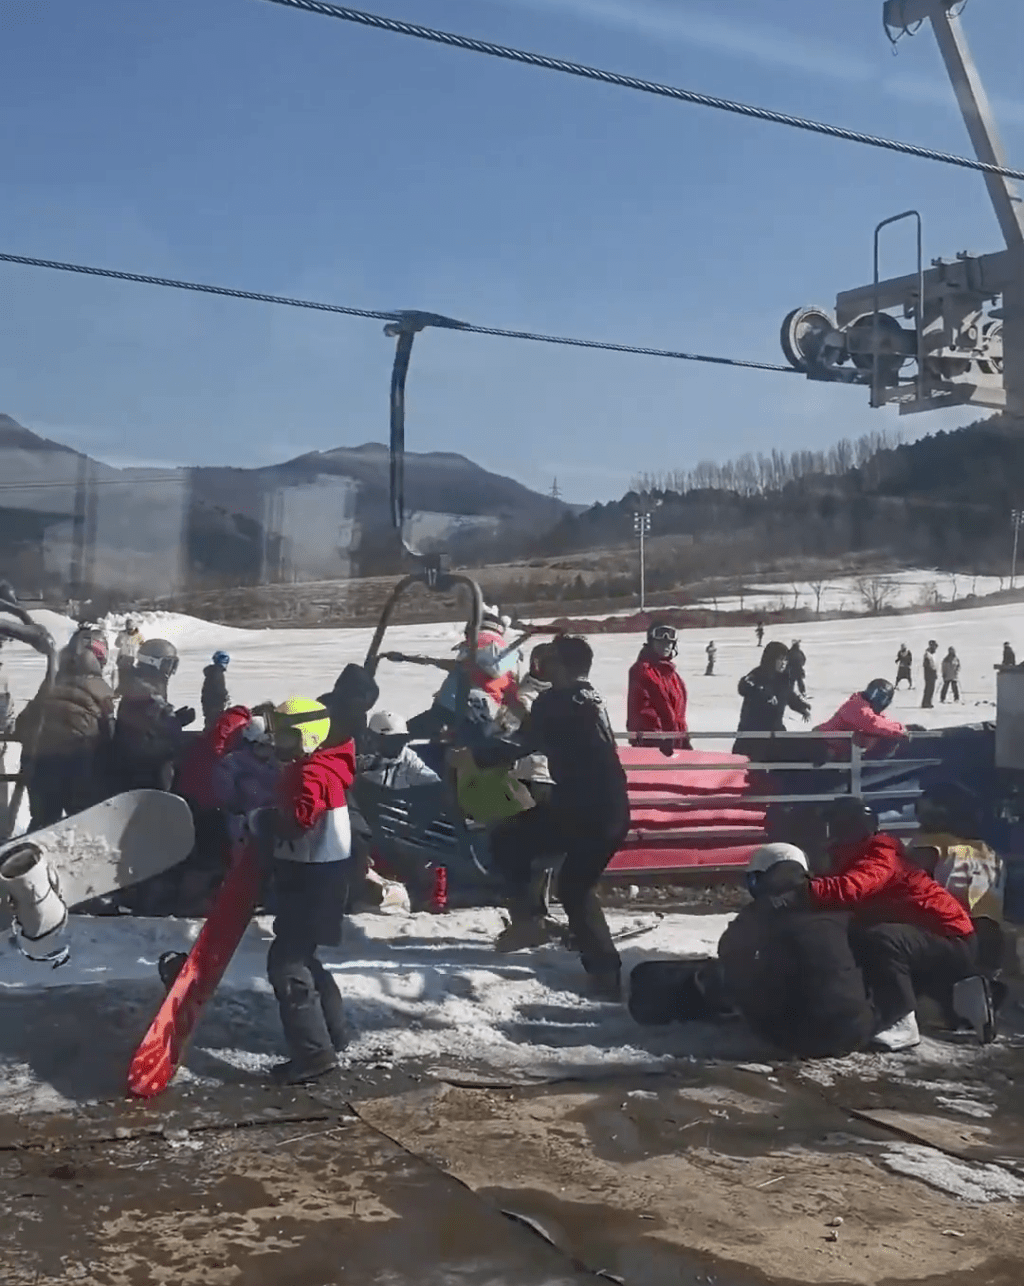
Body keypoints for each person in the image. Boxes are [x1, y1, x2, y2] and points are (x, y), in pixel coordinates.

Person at [466, 633, 630, 998]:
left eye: (552, 659)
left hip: (584, 808)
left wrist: (475, 755)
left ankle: (531, 921)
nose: (544, 666)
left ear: (564, 666)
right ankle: (602, 969)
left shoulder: (554, 699)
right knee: (572, 883)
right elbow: (554, 734)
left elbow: (524, 742)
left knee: (511, 841)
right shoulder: (589, 695)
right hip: (610, 805)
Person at [802, 797, 991, 1051]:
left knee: (881, 939)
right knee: (852, 935)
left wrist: (802, 890)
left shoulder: (880, 852)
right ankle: (959, 996)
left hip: (951, 938)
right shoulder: (848, 856)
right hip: (932, 937)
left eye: (833, 825)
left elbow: (853, 887)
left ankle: (900, 1020)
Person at [254, 696, 357, 1084]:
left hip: (314, 878)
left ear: (307, 737)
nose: (277, 744)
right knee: (304, 956)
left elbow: (298, 820)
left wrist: (266, 821)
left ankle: (314, 1055)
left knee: (287, 965)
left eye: (285, 736)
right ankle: (333, 1035)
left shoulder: (312, 772)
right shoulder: (321, 766)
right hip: (318, 875)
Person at [717, 843, 875, 1059]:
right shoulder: (832, 900)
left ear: (765, 876)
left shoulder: (763, 910)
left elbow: (729, 951)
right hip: (856, 1031)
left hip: (795, 1038)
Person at [15, 643, 115, 828]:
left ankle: (32, 850)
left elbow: (21, 726)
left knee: (42, 823)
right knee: (81, 823)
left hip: (40, 766)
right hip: (80, 766)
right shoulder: (102, 695)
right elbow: (110, 735)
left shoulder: (47, 690)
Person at [908, 782, 1006, 971]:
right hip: (991, 941)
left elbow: (903, 884)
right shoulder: (989, 853)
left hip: (954, 938)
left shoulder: (931, 845)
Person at [399, 610, 519, 739]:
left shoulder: (486, 640)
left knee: (404, 735)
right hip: (462, 707)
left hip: (467, 706)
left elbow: (492, 669)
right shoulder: (506, 652)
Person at [113, 638, 195, 791]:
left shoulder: (143, 685)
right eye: (168, 664)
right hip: (142, 773)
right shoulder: (144, 692)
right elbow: (145, 736)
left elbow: (153, 725)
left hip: (142, 765)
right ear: (153, 663)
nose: (170, 671)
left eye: (173, 665)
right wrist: (175, 723)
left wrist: (176, 719)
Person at [733, 641, 812, 764]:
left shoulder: (783, 679)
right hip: (753, 735)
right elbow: (744, 686)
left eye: (785, 660)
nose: (783, 663)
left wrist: (801, 707)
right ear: (771, 659)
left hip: (775, 730)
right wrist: (763, 694)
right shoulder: (758, 674)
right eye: (780, 659)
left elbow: (788, 695)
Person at [626, 622, 690, 751]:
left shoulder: (674, 676)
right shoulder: (642, 670)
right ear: (651, 642)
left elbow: (679, 714)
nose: (665, 646)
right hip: (651, 745)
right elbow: (643, 711)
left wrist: (684, 739)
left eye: (669, 643)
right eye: (660, 642)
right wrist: (659, 738)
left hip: (673, 744)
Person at [815, 679, 905, 758]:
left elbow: (880, 723)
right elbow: (873, 723)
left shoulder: (863, 706)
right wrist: (900, 729)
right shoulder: (858, 707)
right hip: (823, 745)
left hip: (838, 747)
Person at [359, 710, 441, 790]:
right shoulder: (361, 755)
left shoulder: (408, 758)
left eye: (400, 739)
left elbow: (433, 781)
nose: (396, 745)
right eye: (390, 739)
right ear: (374, 737)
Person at [202, 651, 232, 728]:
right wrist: (224, 695)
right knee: (214, 725)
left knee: (210, 723)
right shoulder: (217, 673)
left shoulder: (212, 672)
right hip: (215, 705)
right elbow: (218, 689)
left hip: (209, 705)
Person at [114, 619, 144, 693]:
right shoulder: (122, 635)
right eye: (128, 628)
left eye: (131, 628)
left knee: (132, 677)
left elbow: (143, 646)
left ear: (134, 627)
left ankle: (131, 691)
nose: (129, 631)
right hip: (123, 658)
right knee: (122, 676)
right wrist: (120, 638)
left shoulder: (138, 635)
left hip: (133, 659)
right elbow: (117, 645)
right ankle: (121, 690)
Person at [922, 640, 939, 709]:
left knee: (931, 689)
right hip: (929, 673)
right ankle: (926, 702)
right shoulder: (927, 655)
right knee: (929, 688)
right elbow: (926, 665)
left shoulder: (931, 654)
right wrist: (931, 672)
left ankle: (928, 702)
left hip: (932, 672)